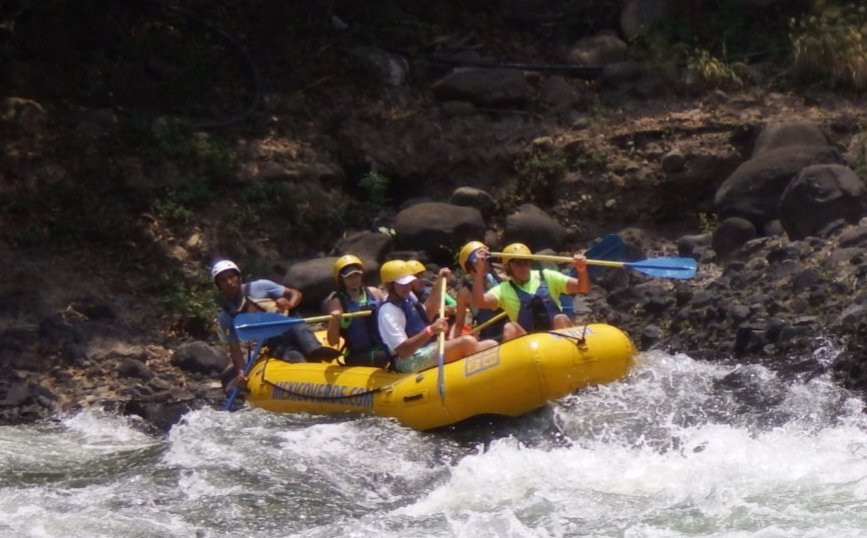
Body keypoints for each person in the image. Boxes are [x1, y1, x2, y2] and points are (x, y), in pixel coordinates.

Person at [212, 259, 334, 386]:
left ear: (238, 277)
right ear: (219, 285)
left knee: (311, 348)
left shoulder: (260, 286)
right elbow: (234, 347)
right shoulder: (226, 315)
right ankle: (311, 380)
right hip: (273, 340)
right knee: (297, 359)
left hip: (291, 325)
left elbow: (295, 293)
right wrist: (241, 372)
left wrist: (289, 304)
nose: (229, 282)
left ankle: (316, 351)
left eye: (231, 277)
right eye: (223, 280)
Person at [377, 260, 497, 373]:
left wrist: (440, 281)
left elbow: (428, 313)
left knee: (491, 344)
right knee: (467, 342)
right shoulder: (388, 311)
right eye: (402, 284)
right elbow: (403, 351)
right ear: (389, 285)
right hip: (408, 361)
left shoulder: (408, 297)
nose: (407, 286)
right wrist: (431, 330)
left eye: (409, 282)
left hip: (429, 348)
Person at [470, 243, 589, 341]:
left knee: (561, 318)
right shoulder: (504, 289)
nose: (524, 267)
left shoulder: (547, 276)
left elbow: (582, 287)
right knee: (510, 327)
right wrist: (479, 272)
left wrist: (581, 270)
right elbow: (479, 302)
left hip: (557, 339)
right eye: (518, 263)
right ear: (508, 268)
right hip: (529, 345)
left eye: (526, 262)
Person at [325, 255, 390, 367]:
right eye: (349, 277)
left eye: (357, 275)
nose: (354, 280)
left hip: (381, 346)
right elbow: (332, 341)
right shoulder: (337, 303)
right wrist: (334, 321)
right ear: (341, 279)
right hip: (357, 354)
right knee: (383, 356)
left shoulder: (375, 293)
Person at [451, 241, 507, 340]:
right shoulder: (465, 293)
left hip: (510, 331)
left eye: (485, 261)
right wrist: (451, 342)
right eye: (477, 262)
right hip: (491, 339)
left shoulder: (502, 279)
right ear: (469, 267)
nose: (483, 265)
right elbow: (459, 324)